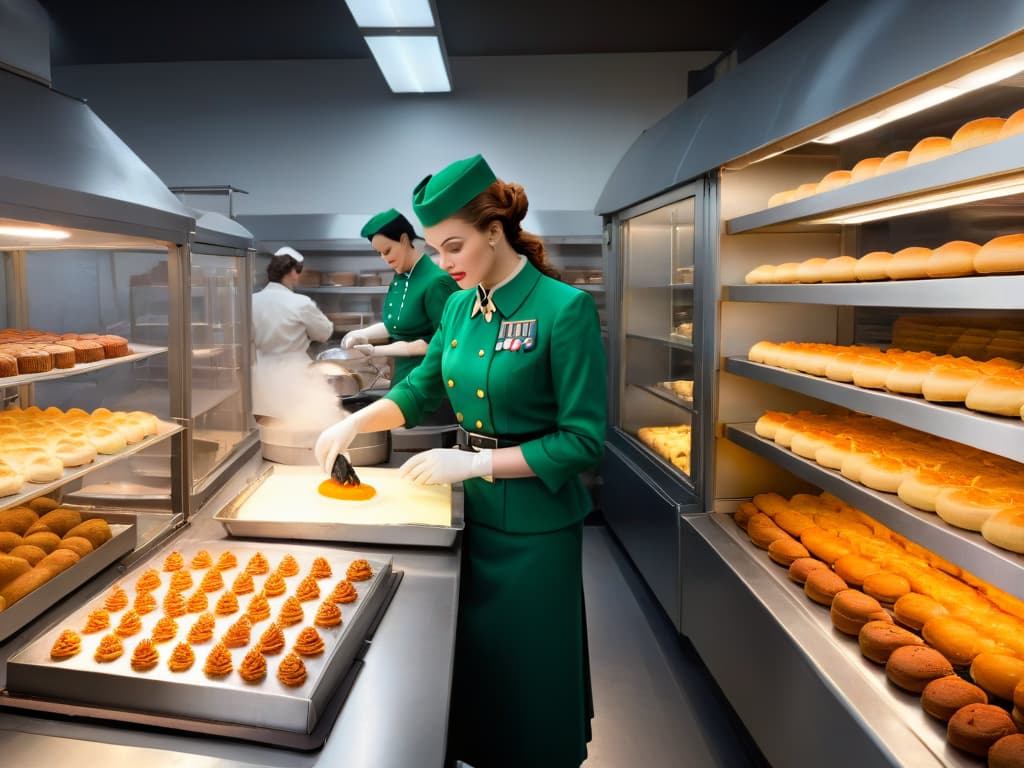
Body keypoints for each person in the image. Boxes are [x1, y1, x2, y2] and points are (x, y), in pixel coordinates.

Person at [314, 154, 606, 767]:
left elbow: (583, 441)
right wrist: (358, 419)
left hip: (534, 531)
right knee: (473, 665)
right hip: (462, 514)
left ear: (494, 232)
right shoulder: (458, 307)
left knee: (527, 673)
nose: (443, 265)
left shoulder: (562, 310)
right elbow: (424, 388)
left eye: (454, 247)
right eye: (434, 250)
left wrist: (477, 465)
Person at [341, 208, 458, 387]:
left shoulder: (436, 282)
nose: (383, 258)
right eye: (379, 253)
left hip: (430, 386)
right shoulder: (401, 277)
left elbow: (441, 343)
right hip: (402, 381)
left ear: (404, 240)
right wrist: (362, 334)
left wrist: (375, 350)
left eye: (387, 250)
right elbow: (396, 326)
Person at [251, 246, 333, 417]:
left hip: (260, 377)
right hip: (293, 377)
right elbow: (324, 332)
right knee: (295, 426)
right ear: (293, 272)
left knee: (266, 429)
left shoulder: (252, 300)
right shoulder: (300, 303)